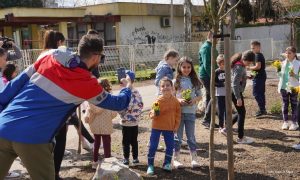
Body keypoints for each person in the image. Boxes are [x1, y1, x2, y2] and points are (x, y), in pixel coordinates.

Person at [0, 34, 133, 180]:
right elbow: (118, 103)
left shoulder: (48, 58)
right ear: (96, 57)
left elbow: (10, 90)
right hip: (34, 138)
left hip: (3, 126)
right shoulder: (87, 83)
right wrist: (128, 86)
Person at [147, 78, 181, 175]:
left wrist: (176, 126)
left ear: (172, 87)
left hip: (169, 127)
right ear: (160, 89)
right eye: (163, 86)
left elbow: (178, 115)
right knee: (153, 146)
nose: (165, 87)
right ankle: (150, 165)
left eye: (167, 85)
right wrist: (153, 114)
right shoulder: (158, 101)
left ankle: (167, 164)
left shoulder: (175, 101)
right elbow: (151, 113)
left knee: (170, 146)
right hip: (156, 127)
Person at [173, 57, 202, 169]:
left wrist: (193, 100)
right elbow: (172, 97)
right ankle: (176, 159)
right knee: (178, 137)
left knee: (191, 136)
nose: (186, 69)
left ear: (192, 68)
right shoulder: (176, 81)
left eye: (188, 67)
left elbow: (200, 95)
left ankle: (194, 159)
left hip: (190, 112)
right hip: (178, 113)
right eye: (184, 67)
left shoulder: (195, 80)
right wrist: (179, 101)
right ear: (179, 67)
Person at [82, 79, 117, 169]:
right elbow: (114, 113)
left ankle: (95, 161)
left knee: (96, 142)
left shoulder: (92, 98)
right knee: (106, 142)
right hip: (106, 123)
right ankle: (108, 161)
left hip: (95, 124)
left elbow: (89, 109)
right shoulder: (109, 97)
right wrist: (111, 116)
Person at [119, 70, 144, 166]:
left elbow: (120, 105)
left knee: (125, 141)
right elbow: (140, 105)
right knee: (134, 140)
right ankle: (135, 158)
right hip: (135, 122)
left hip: (126, 122)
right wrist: (137, 115)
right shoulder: (136, 92)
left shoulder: (124, 92)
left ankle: (126, 158)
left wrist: (121, 114)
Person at [231, 51, 255, 144]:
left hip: (236, 92)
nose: (248, 64)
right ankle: (240, 138)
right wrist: (238, 98)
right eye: (248, 62)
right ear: (244, 59)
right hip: (235, 92)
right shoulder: (239, 67)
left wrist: (246, 76)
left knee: (241, 112)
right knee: (242, 113)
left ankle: (226, 128)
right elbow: (235, 83)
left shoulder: (240, 65)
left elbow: (237, 78)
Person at [199, 31, 218, 127]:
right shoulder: (206, 48)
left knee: (209, 97)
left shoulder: (211, 46)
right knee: (213, 97)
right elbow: (207, 65)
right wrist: (214, 78)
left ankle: (208, 120)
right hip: (207, 76)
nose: (218, 40)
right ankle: (207, 119)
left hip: (209, 75)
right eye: (216, 38)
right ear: (210, 37)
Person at [278, 46, 300, 131]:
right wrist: (278, 71)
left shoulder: (298, 63)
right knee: (285, 104)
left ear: (294, 54)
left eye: (289, 53)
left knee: (294, 105)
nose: (287, 54)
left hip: (294, 87)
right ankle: (285, 122)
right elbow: (280, 76)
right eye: (286, 53)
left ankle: (294, 123)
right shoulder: (282, 63)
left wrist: (294, 75)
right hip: (284, 87)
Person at [248, 41, 267, 117]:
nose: (252, 49)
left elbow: (258, 67)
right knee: (261, 93)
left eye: (253, 48)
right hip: (260, 76)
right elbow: (258, 68)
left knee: (256, 93)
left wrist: (249, 67)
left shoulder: (257, 55)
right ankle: (263, 109)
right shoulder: (259, 55)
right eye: (251, 48)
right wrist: (252, 75)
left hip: (259, 77)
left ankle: (262, 109)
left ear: (258, 47)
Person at [215, 55, 226, 135]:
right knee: (221, 110)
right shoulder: (217, 71)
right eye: (220, 64)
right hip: (219, 93)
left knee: (227, 110)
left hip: (228, 93)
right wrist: (222, 84)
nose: (222, 66)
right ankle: (221, 126)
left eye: (223, 64)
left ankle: (227, 126)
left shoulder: (228, 70)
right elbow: (214, 83)